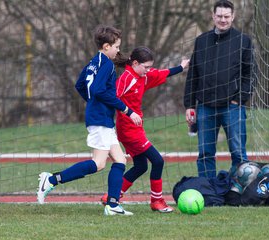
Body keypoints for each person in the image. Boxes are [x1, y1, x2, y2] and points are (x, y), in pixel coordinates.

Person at [37, 25, 142, 216]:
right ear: (107, 46)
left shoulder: (95, 61)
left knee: (120, 159)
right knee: (98, 163)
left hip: (100, 117)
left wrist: (93, 103)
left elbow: (80, 85)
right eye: (117, 46)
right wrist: (127, 110)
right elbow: (99, 90)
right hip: (101, 119)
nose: (118, 50)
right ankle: (52, 180)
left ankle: (112, 205)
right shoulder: (107, 65)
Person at [101, 46, 189, 212]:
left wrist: (181, 67)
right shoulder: (126, 78)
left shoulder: (143, 75)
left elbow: (162, 73)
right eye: (146, 67)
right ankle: (157, 201)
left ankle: (112, 196)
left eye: (150, 67)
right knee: (158, 161)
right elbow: (111, 98)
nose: (148, 71)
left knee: (141, 166)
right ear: (135, 63)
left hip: (136, 129)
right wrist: (119, 116)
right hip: (128, 131)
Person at [183, 0, 255, 179]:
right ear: (213, 16)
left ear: (233, 17)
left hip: (232, 106)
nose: (223, 20)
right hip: (205, 107)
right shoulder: (201, 41)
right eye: (219, 16)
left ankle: (239, 189)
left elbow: (250, 75)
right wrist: (190, 105)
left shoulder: (243, 41)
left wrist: (239, 99)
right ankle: (208, 189)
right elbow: (193, 74)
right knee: (205, 153)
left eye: (226, 16)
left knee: (238, 153)